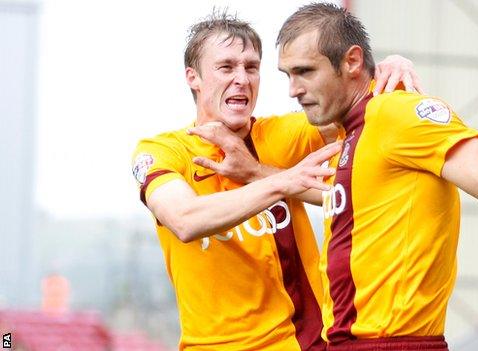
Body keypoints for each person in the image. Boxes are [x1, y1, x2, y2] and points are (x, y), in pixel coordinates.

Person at [131, 11, 421, 351]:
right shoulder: (163, 150)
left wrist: (388, 68)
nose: (242, 78)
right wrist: (283, 181)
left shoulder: (279, 136)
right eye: (226, 67)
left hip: (301, 343)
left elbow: (362, 102)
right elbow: (184, 219)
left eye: (251, 67)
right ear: (193, 77)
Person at [273, 3, 478, 351]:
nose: (293, 89)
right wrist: (259, 175)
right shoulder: (350, 133)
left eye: (305, 71)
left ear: (352, 62)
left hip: (395, 343)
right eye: (288, 75)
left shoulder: (399, 114)